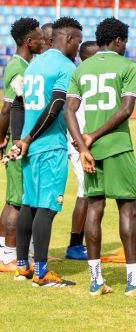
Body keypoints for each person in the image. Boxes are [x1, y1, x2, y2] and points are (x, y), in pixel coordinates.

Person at [65, 17, 136, 297]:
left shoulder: (83, 69)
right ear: (119, 41)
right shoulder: (127, 66)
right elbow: (124, 110)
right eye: (125, 42)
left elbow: (69, 111)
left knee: (94, 209)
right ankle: (134, 282)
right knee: (128, 209)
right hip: (117, 146)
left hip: (92, 152)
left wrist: (85, 146)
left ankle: (95, 281)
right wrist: (94, 136)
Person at [9, 17, 83, 286]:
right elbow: (55, 108)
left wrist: (21, 139)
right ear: (70, 39)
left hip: (29, 147)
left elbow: (20, 104)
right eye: (78, 41)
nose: (79, 47)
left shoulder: (34, 65)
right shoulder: (66, 67)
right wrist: (28, 138)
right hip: (48, 145)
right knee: (47, 208)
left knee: (29, 204)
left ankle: (21, 266)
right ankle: (41, 272)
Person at [0, 17, 43, 272]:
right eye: (39, 37)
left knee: (12, 199)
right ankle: (9, 256)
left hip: (14, 141)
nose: (42, 41)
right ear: (29, 41)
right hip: (18, 143)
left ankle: (6, 250)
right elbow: (9, 108)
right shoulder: (19, 69)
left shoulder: (22, 64)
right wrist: (4, 138)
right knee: (17, 200)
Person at [64, 40, 99, 260]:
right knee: (85, 191)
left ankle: (82, 242)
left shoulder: (93, 79)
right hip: (78, 143)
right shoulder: (78, 80)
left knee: (92, 191)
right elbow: (72, 114)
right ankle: (74, 244)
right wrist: (80, 143)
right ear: (86, 58)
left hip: (90, 142)